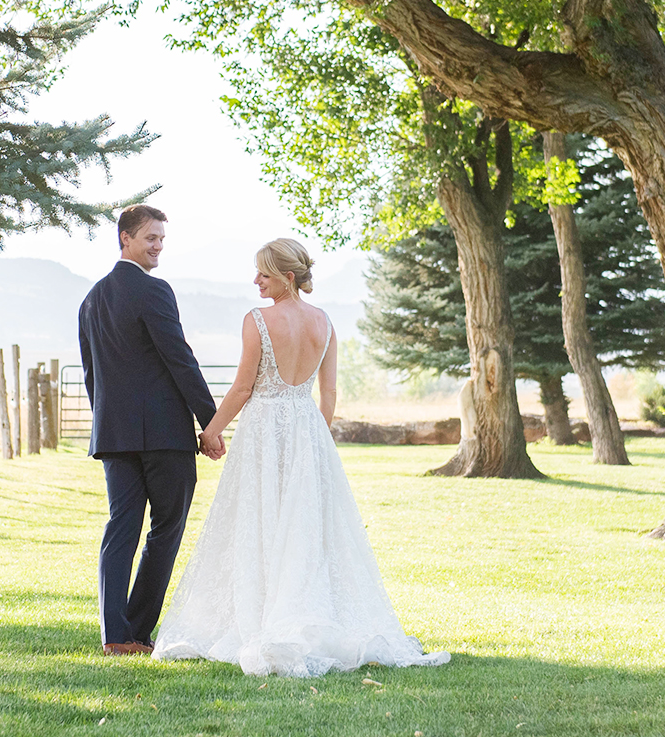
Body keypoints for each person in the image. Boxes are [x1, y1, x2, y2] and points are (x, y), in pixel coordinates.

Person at [153, 237, 450, 677]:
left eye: (264, 274)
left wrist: (211, 432)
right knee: (304, 524)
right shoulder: (324, 322)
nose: (256, 281)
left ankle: (264, 614)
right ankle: (300, 608)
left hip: (263, 431)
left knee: (259, 519)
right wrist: (316, 439)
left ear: (287, 278)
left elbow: (242, 388)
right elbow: (328, 393)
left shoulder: (257, 320)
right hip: (307, 429)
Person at [78, 204, 219, 656]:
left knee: (121, 527)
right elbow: (180, 358)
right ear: (125, 238)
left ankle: (116, 635)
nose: (158, 246)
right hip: (163, 435)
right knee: (166, 527)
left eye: (162, 239)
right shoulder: (154, 291)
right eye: (150, 238)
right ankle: (135, 630)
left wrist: (107, 423)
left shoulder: (91, 300)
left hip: (114, 435)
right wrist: (210, 422)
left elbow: (90, 377)